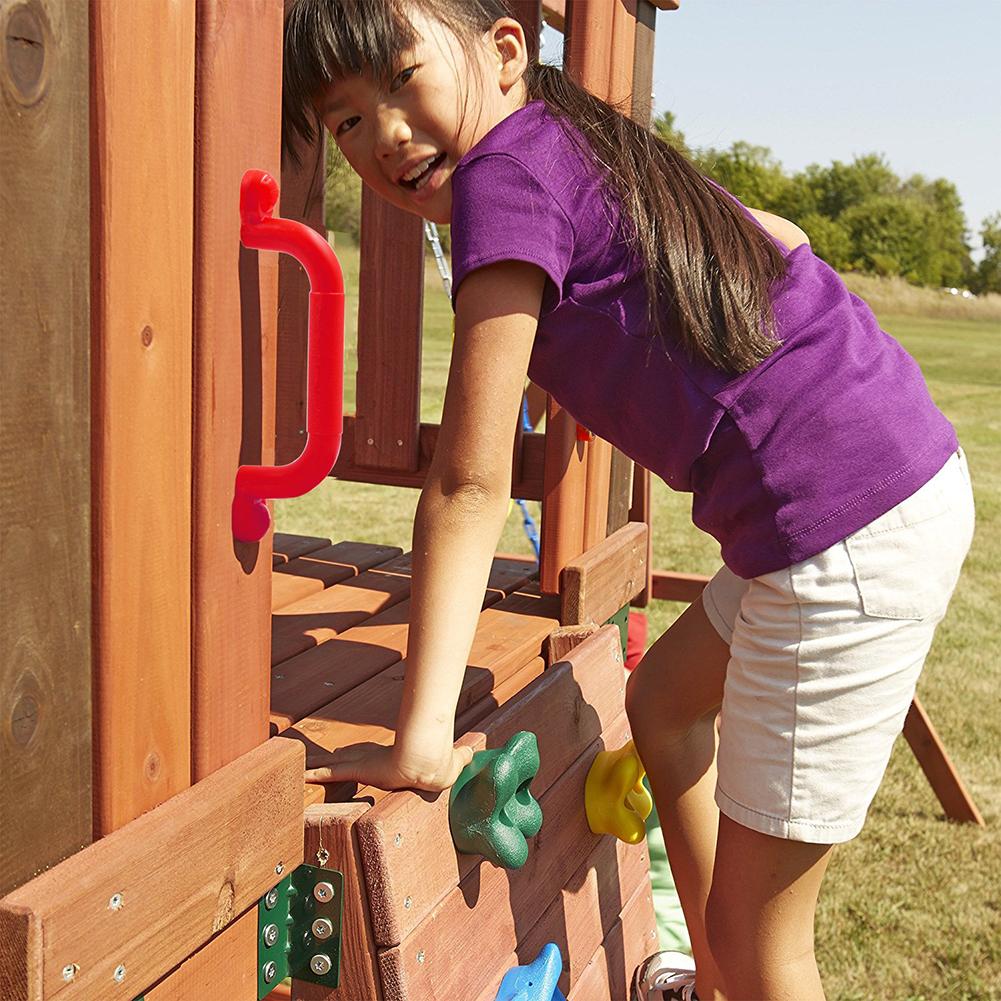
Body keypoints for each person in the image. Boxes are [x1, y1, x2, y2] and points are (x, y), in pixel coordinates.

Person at [281, 2, 975, 998]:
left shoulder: (501, 180)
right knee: (662, 700)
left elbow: (469, 482)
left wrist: (420, 734)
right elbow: (775, 233)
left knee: (765, 941)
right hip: (877, 476)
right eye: (345, 119)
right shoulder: (572, 139)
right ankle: (712, 975)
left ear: (504, 52)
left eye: (398, 78)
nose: (383, 132)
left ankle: (731, 969)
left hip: (836, 532)